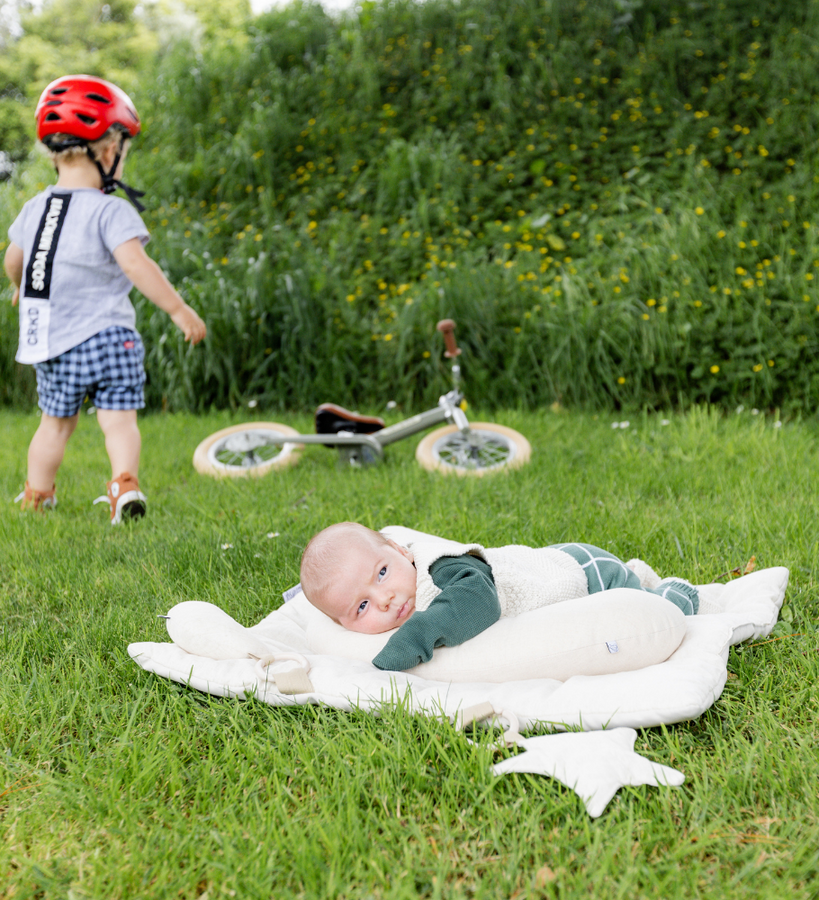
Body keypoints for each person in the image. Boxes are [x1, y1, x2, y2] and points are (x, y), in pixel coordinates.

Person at [3, 75, 206, 523]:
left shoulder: (35, 209)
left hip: (54, 343)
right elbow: (136, 264)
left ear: (55, 153)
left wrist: (20, 287)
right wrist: (178, 309)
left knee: (54, 425)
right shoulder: (110, 209)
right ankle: (124, 485)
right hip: (110, 339)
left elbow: (13, 259)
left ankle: (38, 496)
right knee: (118, 421)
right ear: (110, 151)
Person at [299, 522, 700, 671]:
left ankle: (674, 593)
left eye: (382, 573)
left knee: (641, 610)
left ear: (401, 551)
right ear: (341, 623)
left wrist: (414, 640)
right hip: (546, 565)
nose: (384, 598)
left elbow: (477, 603)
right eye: (362, 606)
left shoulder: (441, 567)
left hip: (582, 570)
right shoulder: (396, 589)